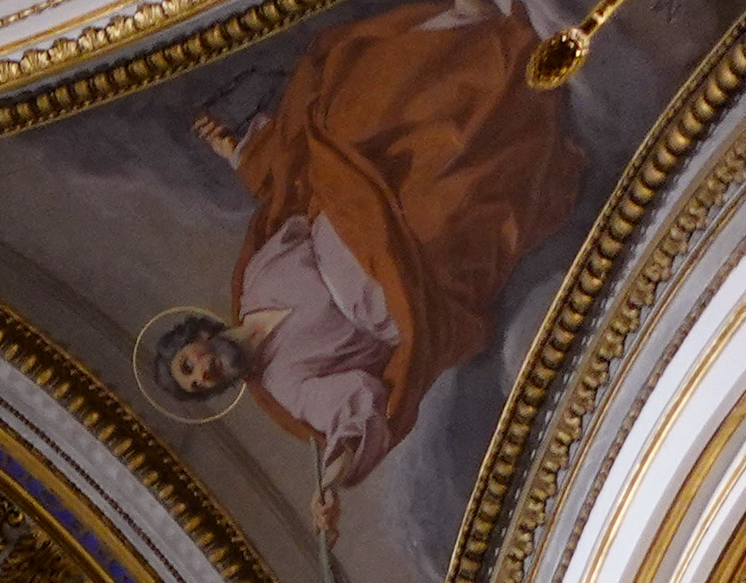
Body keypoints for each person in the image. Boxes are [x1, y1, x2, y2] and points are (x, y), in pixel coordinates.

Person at [142, 0, 587, 540]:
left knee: (355, 107)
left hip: (356, 204)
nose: (204, 373)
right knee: (441, 200)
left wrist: (246, 156)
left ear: (198, 337)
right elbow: (354, 417)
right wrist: (330, 487)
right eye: (197, 384)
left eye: (189, 364)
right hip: (398, 280)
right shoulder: (287, 386)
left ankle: (472, 27)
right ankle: (522, 81)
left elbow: (290, 201)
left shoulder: (255, 282)